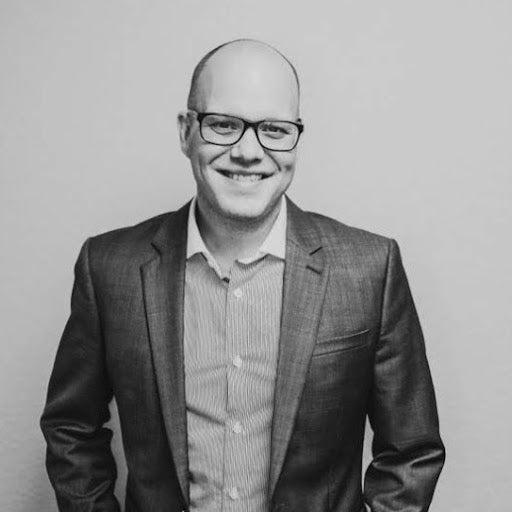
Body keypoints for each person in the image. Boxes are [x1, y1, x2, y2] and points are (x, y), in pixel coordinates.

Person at [41, 39, 445, 512]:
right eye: (224, 125)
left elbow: (412, 451)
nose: (248, 151)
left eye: (274, 129)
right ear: (186, 131)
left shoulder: (370, 268)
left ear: (296, 138)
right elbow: (71, 427)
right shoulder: (110, 267)